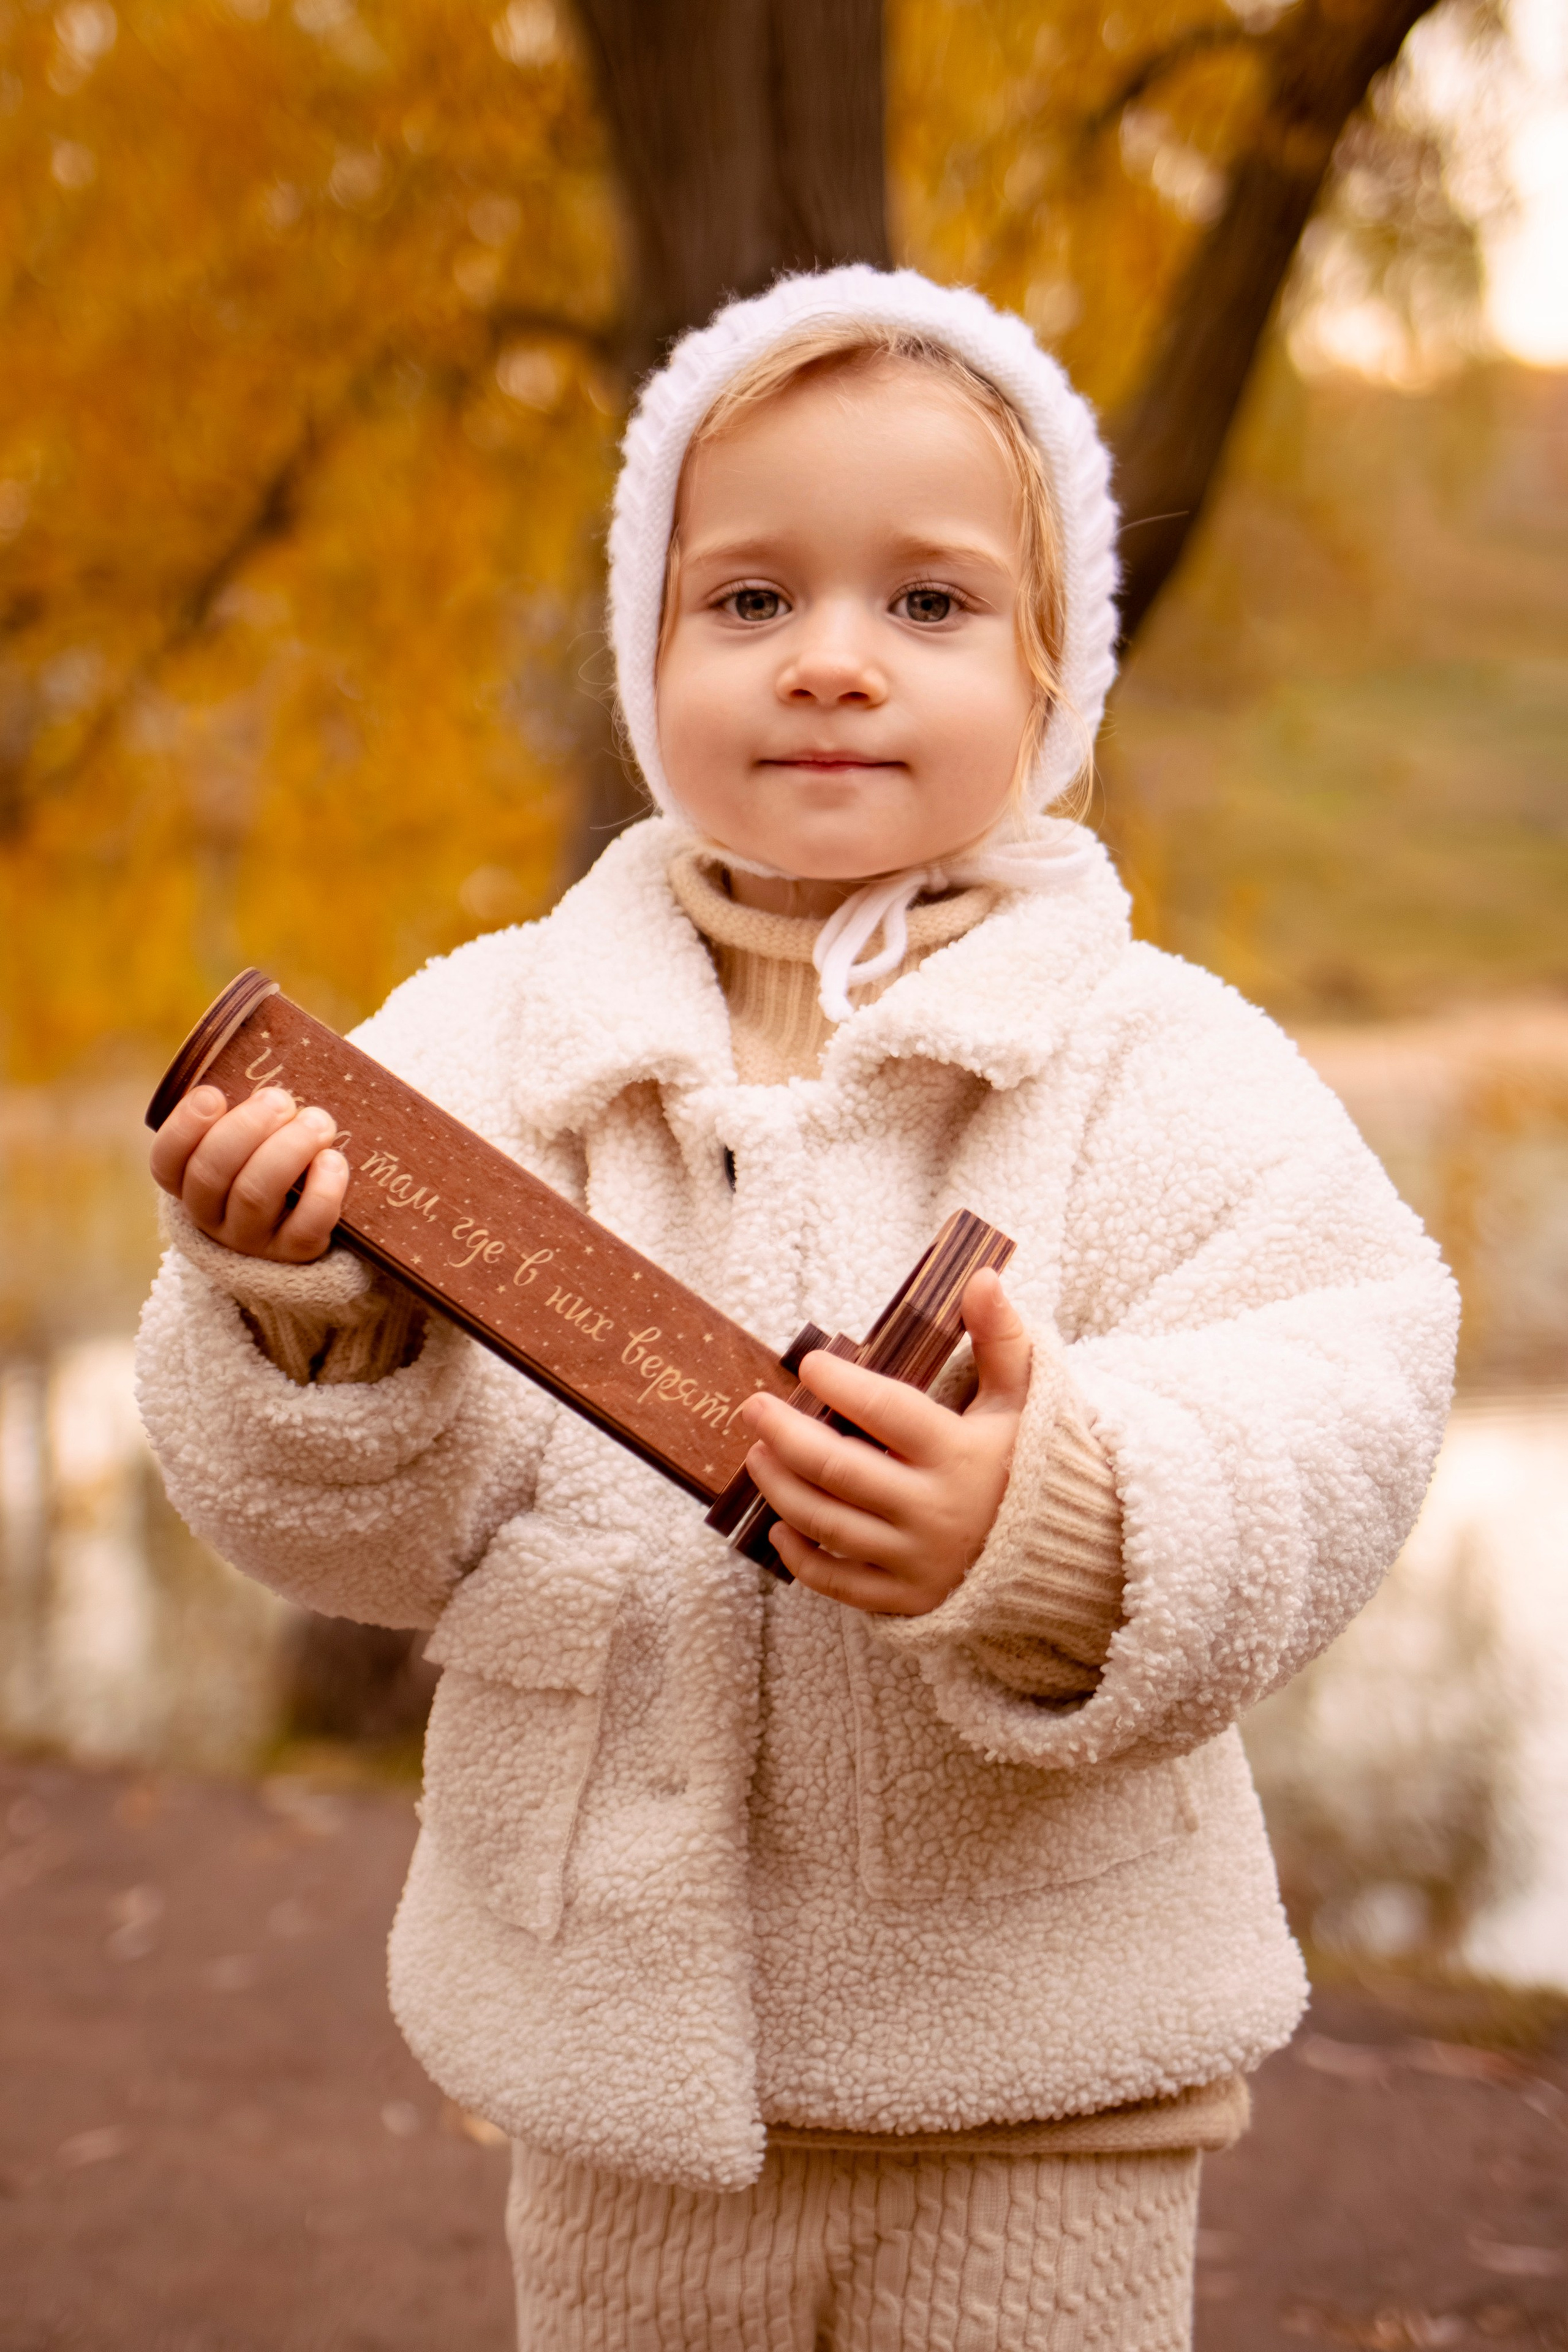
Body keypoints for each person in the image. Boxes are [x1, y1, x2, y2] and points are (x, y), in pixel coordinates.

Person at [137, 267, 1457, 2350]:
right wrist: (312, 1332)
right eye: (748, 601)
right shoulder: (491, 1046)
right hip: (619, 2104)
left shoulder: (1143, 1059)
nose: (833, 662)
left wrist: (1063, 1519)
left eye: (926, 605)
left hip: (1043, 2094)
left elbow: (1349, 1377)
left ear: (1052, 681)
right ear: (647, 657)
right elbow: (365, 1544)